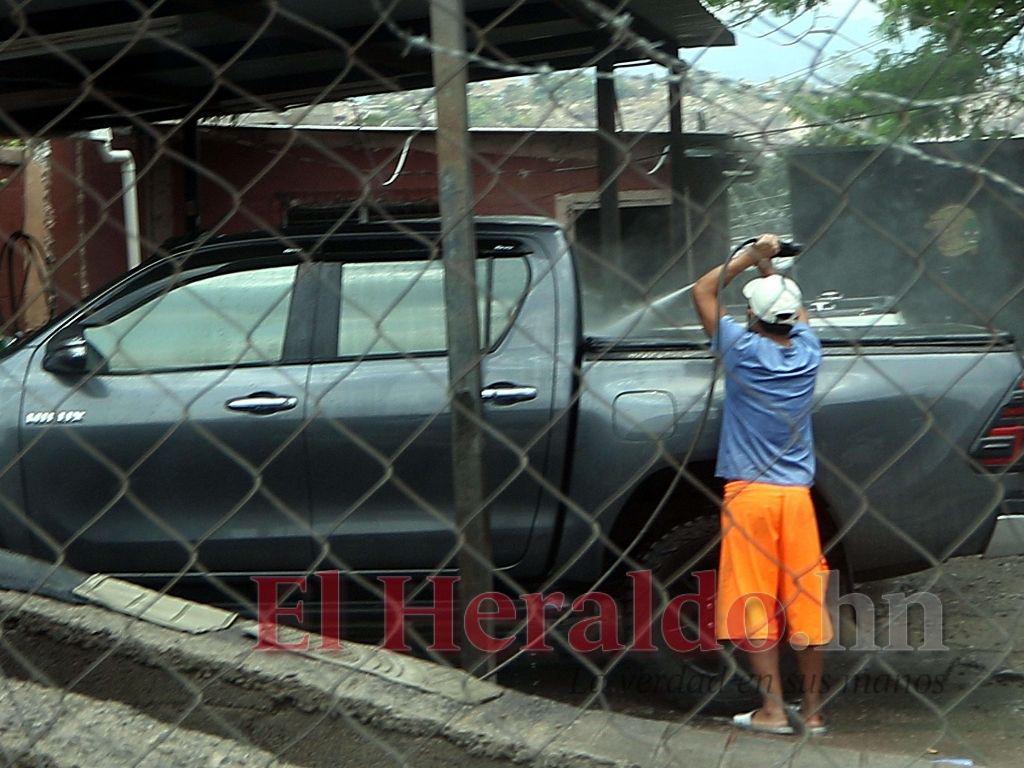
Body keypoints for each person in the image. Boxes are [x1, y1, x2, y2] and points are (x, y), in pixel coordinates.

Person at [690, 233, 833, 736]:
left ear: (751, 317)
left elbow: (702, 292)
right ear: (793, 317)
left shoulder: (742, 350)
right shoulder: (809, 351)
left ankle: (773, 710)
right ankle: (811, 711)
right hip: (797, 499)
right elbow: (792, 314)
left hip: (749, 495)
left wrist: (748, 258)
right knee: (805, 602)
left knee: (755, 601)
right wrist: (772, 272)